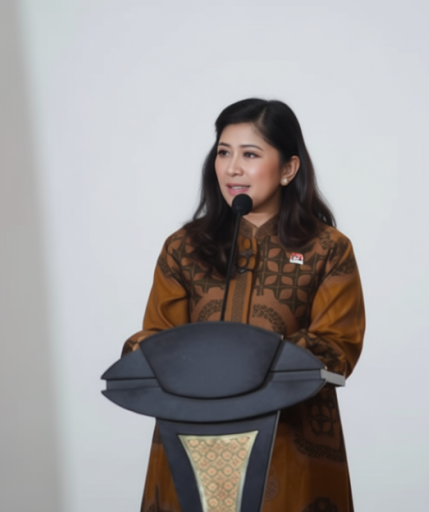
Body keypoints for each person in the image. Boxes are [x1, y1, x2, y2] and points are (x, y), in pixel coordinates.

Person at [123, 98, 366, 512]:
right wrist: (140, 349)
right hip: (190, 442)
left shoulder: (327, 249)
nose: (232, 168)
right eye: (224, 152)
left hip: (287, 447)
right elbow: (158, 338)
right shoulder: (184, 248)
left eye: (250, 155)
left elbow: (336, 346)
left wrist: (253, 360)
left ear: (288, 168)